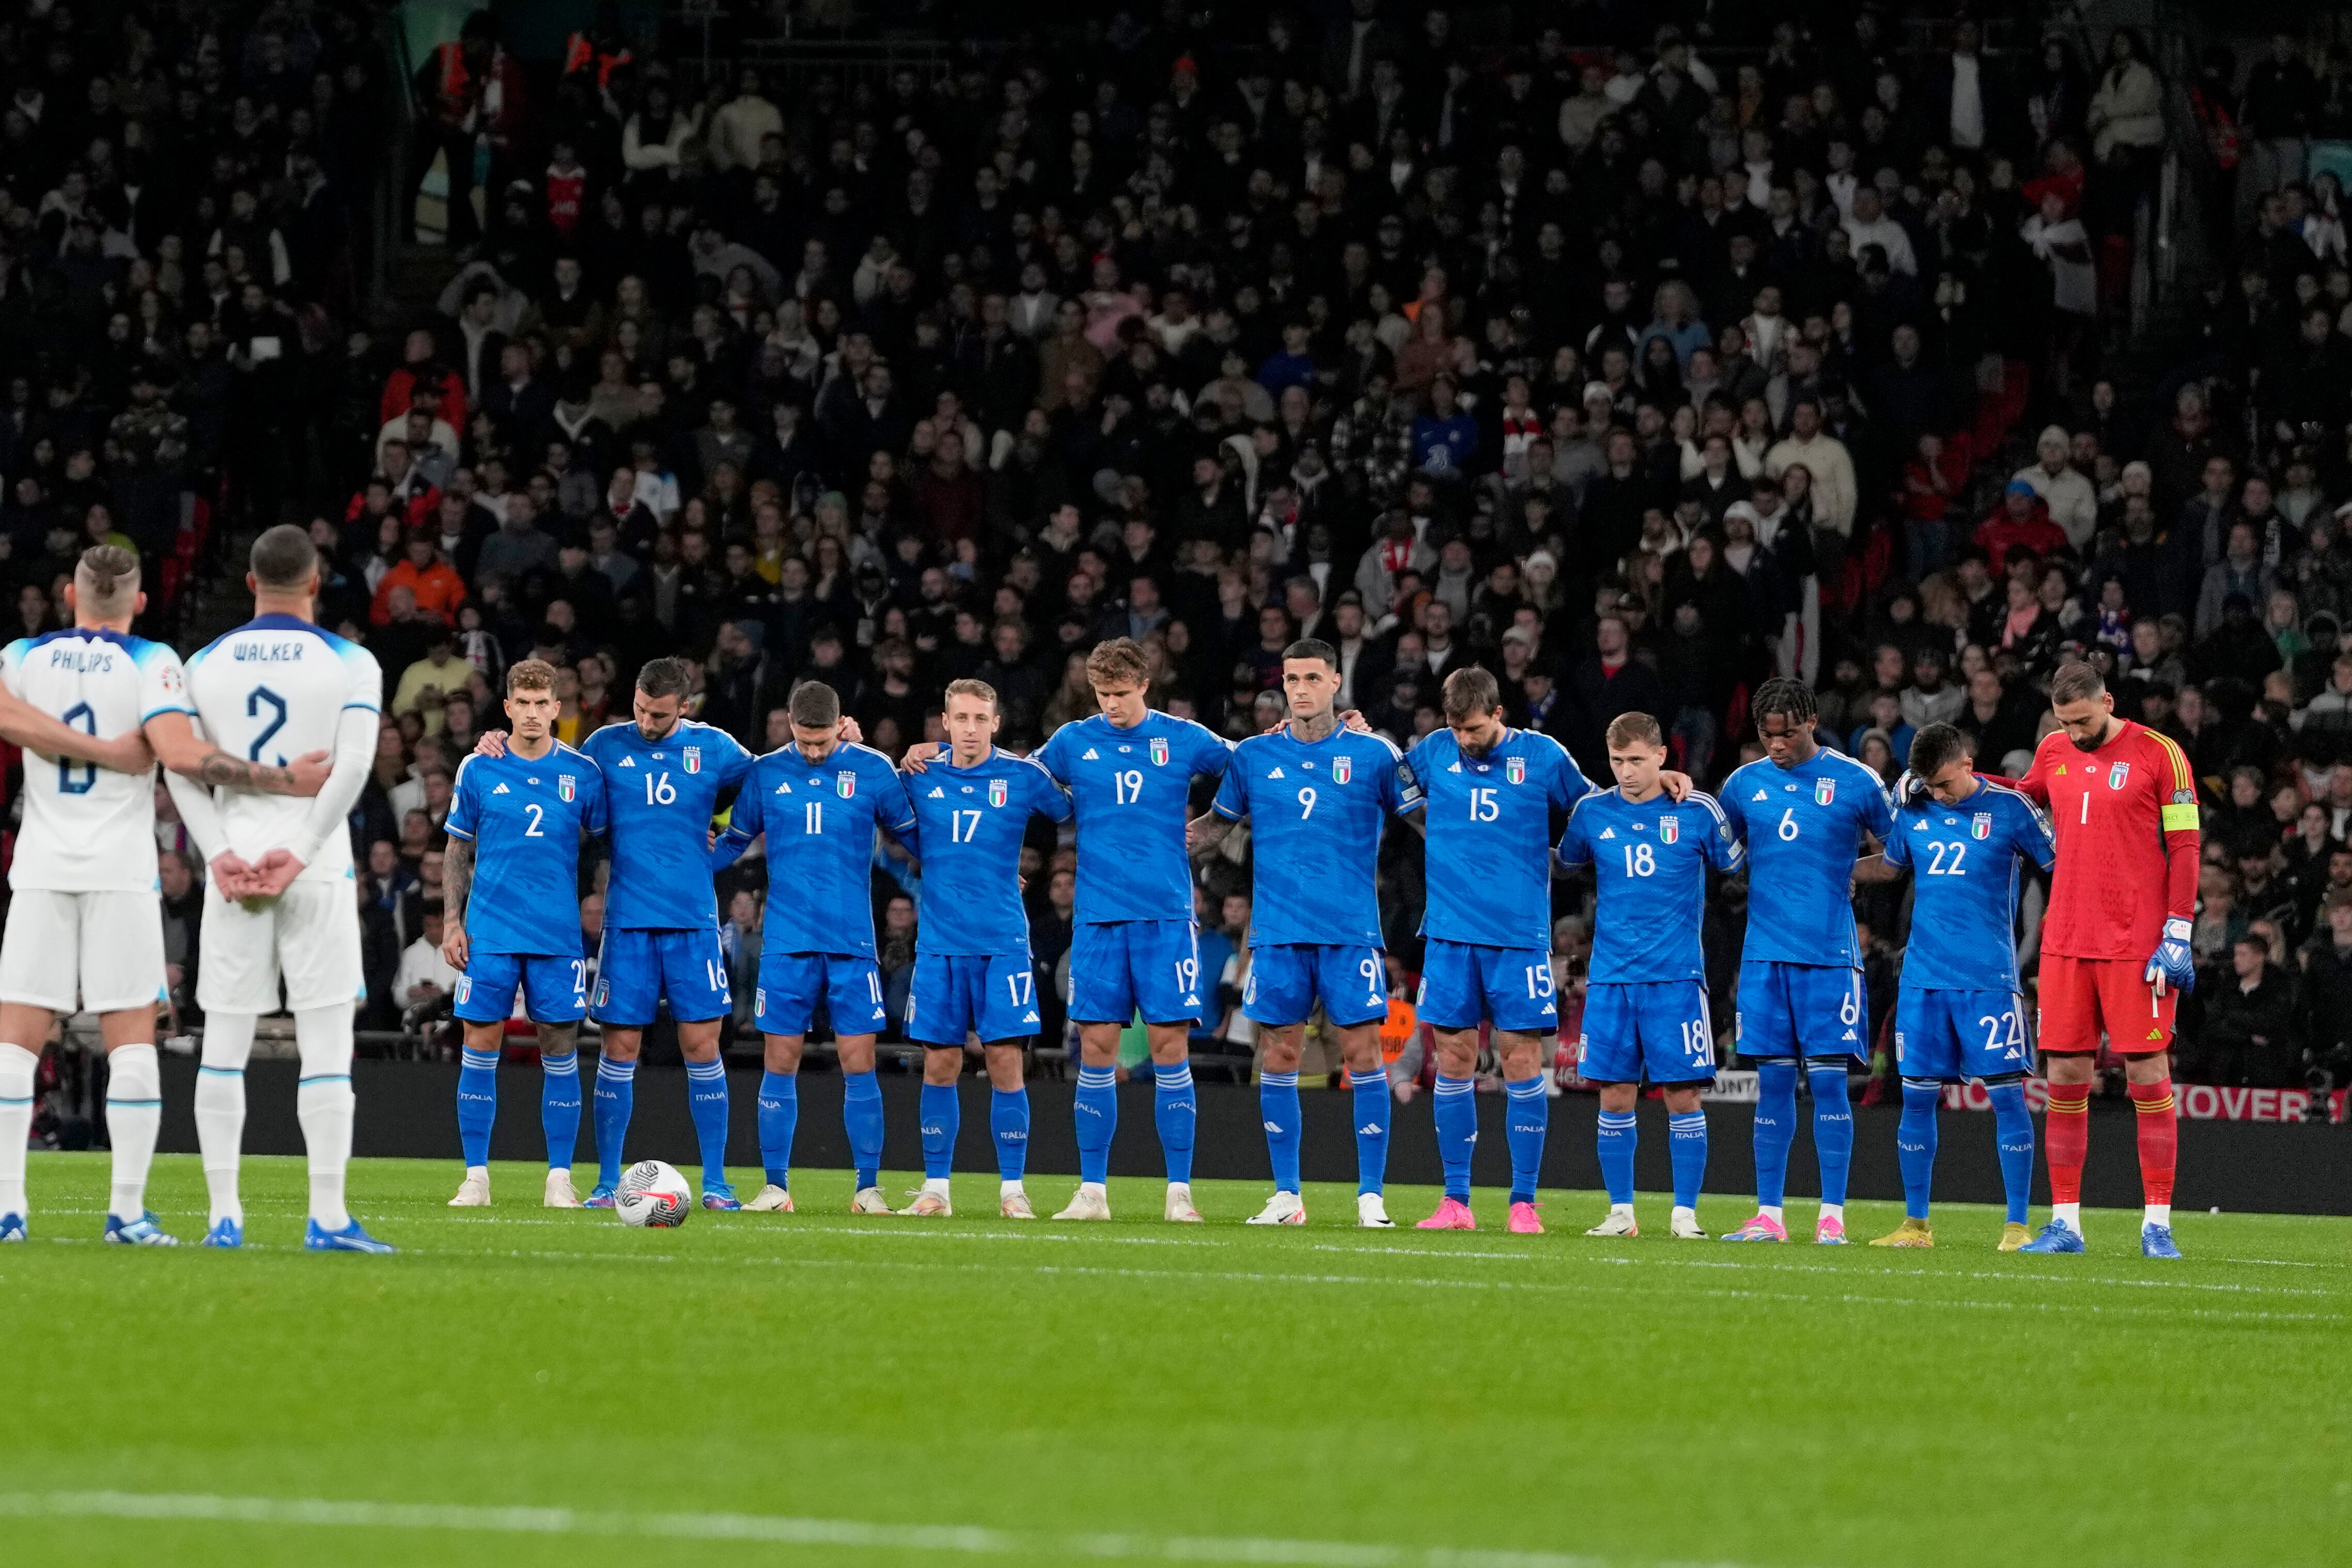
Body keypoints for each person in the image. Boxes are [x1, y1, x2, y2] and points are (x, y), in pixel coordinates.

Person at [0, 545, 331, 1245]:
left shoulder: (24, 654)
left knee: (13, 1048)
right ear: (140, 601)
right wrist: (282, 779)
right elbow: (181, 755)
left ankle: (7, 1207)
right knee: (132, 1043)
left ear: (70, 594)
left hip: (40, 868)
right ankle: (125, 1212)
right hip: (121, 873)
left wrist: (77, 747)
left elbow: (6, 715)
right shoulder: (153, 662)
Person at [163, 525, 391, 1252]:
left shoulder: (203, 662)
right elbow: (352, 768)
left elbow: (179, 766)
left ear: (252, 582)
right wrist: (298, 852)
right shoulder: (351, 660)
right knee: (326, 1047)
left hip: (235, 864)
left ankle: (223, 1219)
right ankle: (327, 1218)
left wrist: (220, 852)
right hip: (314, 863)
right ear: (317, 583)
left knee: (223, 1046)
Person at [484, 657, 754, 1208]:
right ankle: (608, 1182)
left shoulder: (718, 748)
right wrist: (497, 740)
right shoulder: (605, 746)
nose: (647, 722)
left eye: (659, 715)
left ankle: (719, 1184)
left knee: (701, 1046)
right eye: (640, 709)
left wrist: (725, 845)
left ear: (684, 707)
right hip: (627, 923)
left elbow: (772, 778)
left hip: (693, 923)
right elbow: (549, 768)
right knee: (620, 1047)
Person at [1189, 639, 1422, 1227]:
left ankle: (1370, 1196)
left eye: (1311, 678)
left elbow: (1426, 822)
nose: (1299, 689)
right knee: (1279, 1053)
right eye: (1291, 678)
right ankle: (1287, 1195)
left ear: (1335, 681)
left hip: (1349, 932)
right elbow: (1213, 830)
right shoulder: (1252, 758)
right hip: (1277, 933)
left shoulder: (1372, 753)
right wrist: (1142, 844)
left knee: (1363, 1055)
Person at [1007, 638, 1233, 1223]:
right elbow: (1009, 788)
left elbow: (1252, 763)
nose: (1109, 704)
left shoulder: (1182, 737)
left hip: (1163, 919)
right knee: (1096, 1051)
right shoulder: (1073, 740)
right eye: (1101, 694)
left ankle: (1179, 1193)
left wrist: (1217, 822)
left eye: (1119, 693)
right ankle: (1092, 1193)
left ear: (1144, 685)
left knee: (1169, 1051)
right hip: (1098, 921)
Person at [2008, 661, 2200, 1258]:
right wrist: (1950, 782)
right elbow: (2018, 801)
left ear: (2106, 701)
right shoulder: (2052, 750)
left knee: (2147, 1074)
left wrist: (2178, 928)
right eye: (2064, 723)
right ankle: (2065, 1224)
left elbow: (2185, 843)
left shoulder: (2159, 753)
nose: (2074, 733)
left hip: (2134, 945)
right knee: (2063, 1077)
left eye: (2083, 721)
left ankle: (2156, 1226)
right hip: (2064, 940)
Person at [1401, 666, 1597, 1232]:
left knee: (1520, 1061)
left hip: (1518, 937)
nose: (1465, 740)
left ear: (1498, 715)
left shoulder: (1541, 755)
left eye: (1474, 730)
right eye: (1456, 729)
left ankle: (1522, 1202)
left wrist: (1565, 858)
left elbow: (1591, 811)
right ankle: (1455, 1202)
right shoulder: (1434, 750)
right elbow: (1383, 788)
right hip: (1449, 934)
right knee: (1453, 1060)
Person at [712, 681, 910, 1214]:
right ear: (791, 727)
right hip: (786, 941)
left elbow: (914, 837)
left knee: (859, 1063)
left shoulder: (872, 769)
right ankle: (776, 1188)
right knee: (779, 1062)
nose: (814, 752)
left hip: (852, 941)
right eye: (805, 741)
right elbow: (734, 841)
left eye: (822, 742)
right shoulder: (767, 771)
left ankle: (867, 1189)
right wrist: (684, 865)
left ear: (840, 723)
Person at [1715, 677, 1894, 1244]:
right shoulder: (1742, 786)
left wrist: (1849, 872)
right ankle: (1768, 1216)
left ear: (1811, 721)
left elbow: (1897, 856)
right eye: (1766, 735)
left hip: (1828, 959)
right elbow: (1720, 853)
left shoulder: (1855, 780)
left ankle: (1831, 1218)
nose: (1776, 745)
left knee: (1828, 1087)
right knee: (1771, 1087)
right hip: (1764, 960)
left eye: (1787, 734)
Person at [1860, 724, 2053, 1249]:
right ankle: (1915, 1224)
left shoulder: (2011, 810)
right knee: (1916, 1100)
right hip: (1923, 981)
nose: (1938, 794)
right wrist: (1834, 870)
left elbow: (2062, 865)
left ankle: (2016, 1225)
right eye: (1930, 784)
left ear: (1968, 762)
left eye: (1944, 783)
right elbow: (1889, 866)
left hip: (1987, 981)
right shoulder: (1914, 807)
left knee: (2007, 1099)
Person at [1555, 711, 1743, 1240]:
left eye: (1636, 760)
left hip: (1676, 980)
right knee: (1614, 1095)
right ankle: (1621, 1212)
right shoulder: (1592, 813)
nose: (1626, 771)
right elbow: (1564, 863)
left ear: (1662, 757)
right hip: (1613, 979)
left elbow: (1736, 870)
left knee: (1682, 1095)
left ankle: (1684, 1214)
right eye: (1617, 761)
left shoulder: (1698, 810)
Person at [896, 679, 1072, 1217]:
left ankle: (1012, 1191)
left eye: (980, 719)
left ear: (995, 724)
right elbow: (883, 810)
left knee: (1005, 1065)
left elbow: (1073, 810)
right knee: (940, 1066)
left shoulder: (1022, 776)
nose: (970, 729)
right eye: (961, 719)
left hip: (1002, 944)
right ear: (944, 724)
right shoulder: (918, 776)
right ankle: (936, 1191)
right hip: (940, 946)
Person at [441, 660, 608, 1209]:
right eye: (523, 703)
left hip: (557, 934)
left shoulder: (582, 773)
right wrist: (450, 921)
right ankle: (476, 1178)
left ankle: (559, 1178)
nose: (533, 714)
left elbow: (605, 844)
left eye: (543, 704)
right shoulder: (478, 767)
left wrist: (602, 904)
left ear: (557, 709)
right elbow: (457, 848)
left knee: (559, 1048)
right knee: (479, 1044)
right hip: (489, 930)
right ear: (508, 708)